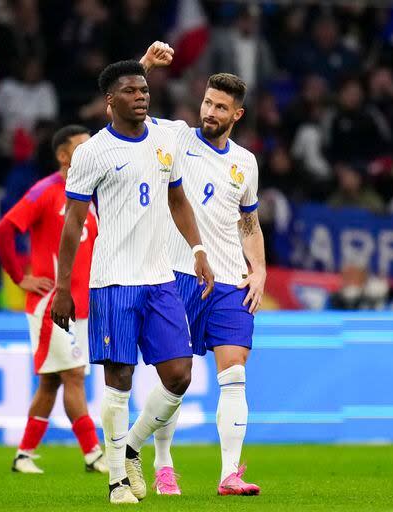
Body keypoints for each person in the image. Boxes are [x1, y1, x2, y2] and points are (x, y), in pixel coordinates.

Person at [50, 60, 214, 504]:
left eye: (144, 89)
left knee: (179, 375)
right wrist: (64, 287)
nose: (141, 96)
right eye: (130, 91)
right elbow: (73, 224)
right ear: (110, 102)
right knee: (118, 380)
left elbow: (177, 197)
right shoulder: (92, 153)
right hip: (113, 282)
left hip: (160, 279)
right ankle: (117, 480)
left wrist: (198, 250)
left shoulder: (164, 138)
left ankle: (132, 447)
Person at [141, 43, 262, 496]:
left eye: (221, 107)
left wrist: (260, 269)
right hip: (179, 274)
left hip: (231, 279)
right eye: (208, 103)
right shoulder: (175, 137)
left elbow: (249, 222)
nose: (210, 111)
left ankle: (230, 473)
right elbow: (127, 107)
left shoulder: (244, 162)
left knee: (234, 371)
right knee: (176, 378)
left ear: (237, 114)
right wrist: (146, 66)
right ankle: (162, 462)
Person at [0, 125, 107, 475]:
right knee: (73, 376)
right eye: (82, 148)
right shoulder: (46, 191)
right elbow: (4, 229)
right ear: (63, 155)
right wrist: (19, 277)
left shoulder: (91, 195)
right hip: (52, 305)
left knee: (52, 381)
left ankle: (24, 455)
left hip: (83, 306)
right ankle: (94, 454)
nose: (90, 153)